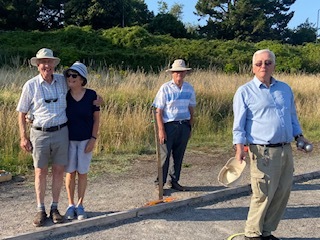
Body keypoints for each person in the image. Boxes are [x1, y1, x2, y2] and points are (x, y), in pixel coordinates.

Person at [232, 49, 311, 240]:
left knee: (282, 192)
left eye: (268, 63)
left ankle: (266, 232)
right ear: (252, 67)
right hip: (262, 151)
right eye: (259, 63)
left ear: (274, 65)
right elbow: (239, 125)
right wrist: (238, 149)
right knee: (262, 194)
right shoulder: (245, 91)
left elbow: (291, 116)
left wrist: (299, 136)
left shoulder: (284, 89)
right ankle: (252, 234)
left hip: (285, 149)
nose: (263, 66)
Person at [17, 48, 68, 227]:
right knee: (40, 172)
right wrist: (23, 137)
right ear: (37, 65)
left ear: (54, 64)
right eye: (43, 62)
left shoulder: (63, 81)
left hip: (62, 131)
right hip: (39, 133)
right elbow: (21, 112)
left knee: (59, 170)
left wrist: (96, 99)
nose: (46, 65)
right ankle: (40, 209)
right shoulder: (30, 85)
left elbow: (80, 86)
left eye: (49, 62)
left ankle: (55, 207)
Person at [63, 62, 100, 220]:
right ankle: (70, 205)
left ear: (82, 79)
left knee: (82, 173)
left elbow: (96, 119)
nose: (70, 78)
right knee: (70, 173)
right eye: (68, 75)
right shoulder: (64, 94)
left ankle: (80, 204)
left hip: (86, 140)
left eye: (74, 75)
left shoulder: (92, 95)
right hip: (68, 140)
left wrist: (93, 139)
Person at [152, 59, 196, 191]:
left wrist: (190, 127)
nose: (179, 74)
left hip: (183, 125)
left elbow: (191, 108)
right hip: (169, 125)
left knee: (179, 155)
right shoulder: (165, 88)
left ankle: (174, 180)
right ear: (172, 73)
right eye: (176, 72)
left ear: (185, 73)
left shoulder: (189, 88)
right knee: (164, 157)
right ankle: (159, 183)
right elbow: (158, 110)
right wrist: (161, 130)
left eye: (181, 72)